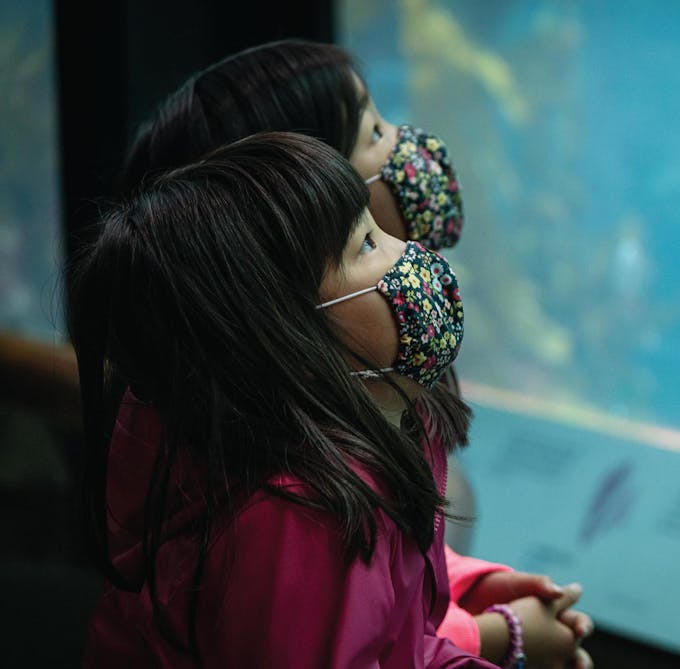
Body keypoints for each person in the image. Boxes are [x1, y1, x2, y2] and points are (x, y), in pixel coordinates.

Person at [115, 39, 592, 667]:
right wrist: (493, 636)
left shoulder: (358, 384)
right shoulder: (289, 502)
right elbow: (334, 614)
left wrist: (463, 587)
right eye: (371, 131)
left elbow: (381, 593)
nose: (405, 145)